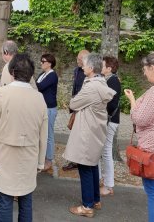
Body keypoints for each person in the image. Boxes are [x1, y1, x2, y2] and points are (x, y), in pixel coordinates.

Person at [0, 53, 48, 222]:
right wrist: (41, 161)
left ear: (12, 72)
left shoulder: (2, 93)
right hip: (29, 156)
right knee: (26, 201)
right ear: (31, 74)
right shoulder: (39, 98)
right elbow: (43, 133)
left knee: (5, 201)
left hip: (5, 156)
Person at [63, 53, 115, 218]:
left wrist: (75, 100)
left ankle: (87, 206)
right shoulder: (100, 84)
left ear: (91, 68)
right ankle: (95, 199)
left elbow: (74, 103)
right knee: (92, 165)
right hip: (95, 132)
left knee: (85, 167)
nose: (82, 66)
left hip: (87, 133)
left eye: (84, 64)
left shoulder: (91, 87)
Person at [124, 49, 154, 222]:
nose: (144, 74)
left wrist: (132, 103)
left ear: (153, 67)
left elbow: (140, 118)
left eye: (145, 70)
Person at [63, 49, 90, 171]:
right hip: (76, 107)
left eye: (79, 59)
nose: (77, 61)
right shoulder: (77, 70)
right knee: (74, 133)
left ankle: (77, 160)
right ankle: (74, 160)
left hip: (83, 108)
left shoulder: (89, 74)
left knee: (79, 136)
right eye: (77, 58)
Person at [99, 56, 121, 196]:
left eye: (102, 65)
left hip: (110, 120)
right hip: (109, 120)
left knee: (106, 152)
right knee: (103, 151)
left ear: (109, 68)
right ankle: (103, 180)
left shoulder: (113, 81)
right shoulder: (109, 80)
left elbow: (111, 104)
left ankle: (108, 185)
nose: (100, 67)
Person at [36, 53, 58, 171]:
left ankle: (49, 159)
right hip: (42, 108)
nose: (41, 63)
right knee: (41, 134)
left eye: (43, 61)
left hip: (49, 108)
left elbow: (39, 87)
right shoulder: (42, 74)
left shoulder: (52, 75)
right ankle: (42, 157)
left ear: (49, 63)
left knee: (48, 134)